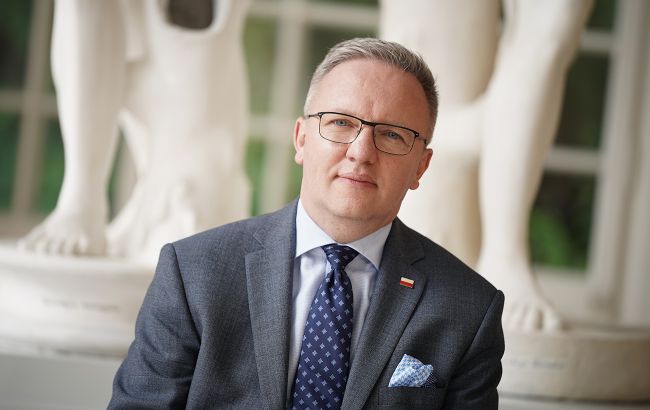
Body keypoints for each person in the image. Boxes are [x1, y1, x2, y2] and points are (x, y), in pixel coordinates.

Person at [109, 38, 504, 409]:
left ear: (421, 166)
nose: (361, 152)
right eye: (341, 123)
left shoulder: (468, 309)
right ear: (301, 139)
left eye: (391, 134)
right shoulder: (193, 272)